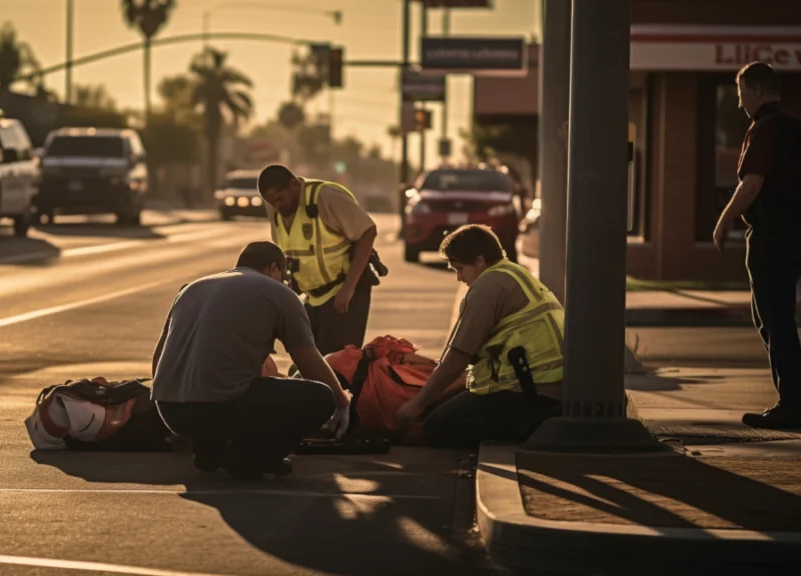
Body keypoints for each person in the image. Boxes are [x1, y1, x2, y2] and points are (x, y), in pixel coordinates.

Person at [151, 241, 352, 478]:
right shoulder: (280, 293)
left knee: (232, 390)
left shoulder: (191, 289)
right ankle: (254, 457)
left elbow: (159, 356)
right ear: (274, 268)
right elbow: (308, 359)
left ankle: (208, 450)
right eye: (283, 275)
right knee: (320, 397)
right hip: (218, 408)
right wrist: (341, 401)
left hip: (171, 411)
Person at [393, 224, 564, 449]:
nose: (458, 277)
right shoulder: (515, 273)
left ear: (480, 261)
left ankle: (525, 428)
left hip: (530, 394)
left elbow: (457, 357)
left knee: (437, 426)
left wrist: (417, 404)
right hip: (549, 387)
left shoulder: (488, 285)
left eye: (460, 268)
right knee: (444, 408)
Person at [713, 61, 801, 429]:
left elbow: (752, 184)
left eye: (741, 94)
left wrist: (724, 219)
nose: (739, 103)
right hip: (794, 235)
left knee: (773, 320)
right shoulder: (795, 129)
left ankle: (793, 405)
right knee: (775, 318)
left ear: (758, 90)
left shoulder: (763, 130)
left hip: (771, 238)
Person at [258, 164, 381, 356]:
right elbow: (289, 250)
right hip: (313, 297)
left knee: (339, 363)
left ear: (293, 184)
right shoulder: (275, 207)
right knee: (312, 361)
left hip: (345, 293)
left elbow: (367, 231)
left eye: (280, 199)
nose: (277, 206)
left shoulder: (326, 196)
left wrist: (348, 289)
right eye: (272, 202)